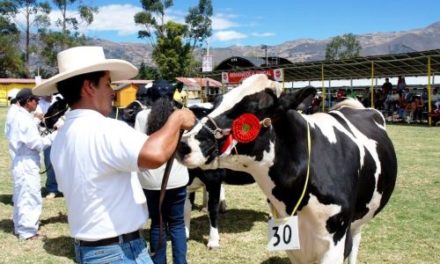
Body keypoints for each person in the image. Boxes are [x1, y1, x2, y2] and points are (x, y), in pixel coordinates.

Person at [32, 46, 195, 264]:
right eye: (107, 83)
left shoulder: (62, 136)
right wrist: (176, 118)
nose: (113, 91)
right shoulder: (105, 128)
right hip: (119, 251)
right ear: (89, 87)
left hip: (90, 250)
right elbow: (155, 155)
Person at [135, 80, 189, 264]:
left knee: (157, 224)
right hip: (178, 178)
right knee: (177, 224)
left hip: (150, 180)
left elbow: (138, 147)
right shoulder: (180, 116)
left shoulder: (143, 116)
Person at [8, 88, 56, 240]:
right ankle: (28, 232)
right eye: (36, 100)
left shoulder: (17, 115)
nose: (38, 102)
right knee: (30, 196)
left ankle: (20, 226)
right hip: (27, 162)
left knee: (21, 196)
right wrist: (56, 134)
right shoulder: (23, 119)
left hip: (20, 160)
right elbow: (38, 144)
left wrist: (36, 120)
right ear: (28, 101)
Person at [36, 95, 61, 198]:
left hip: (62, 132)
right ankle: (52, 188)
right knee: (49, 161)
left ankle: (64, 187)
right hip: (47, 134)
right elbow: (37, 117)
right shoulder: (39, 104)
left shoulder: (59, 99)